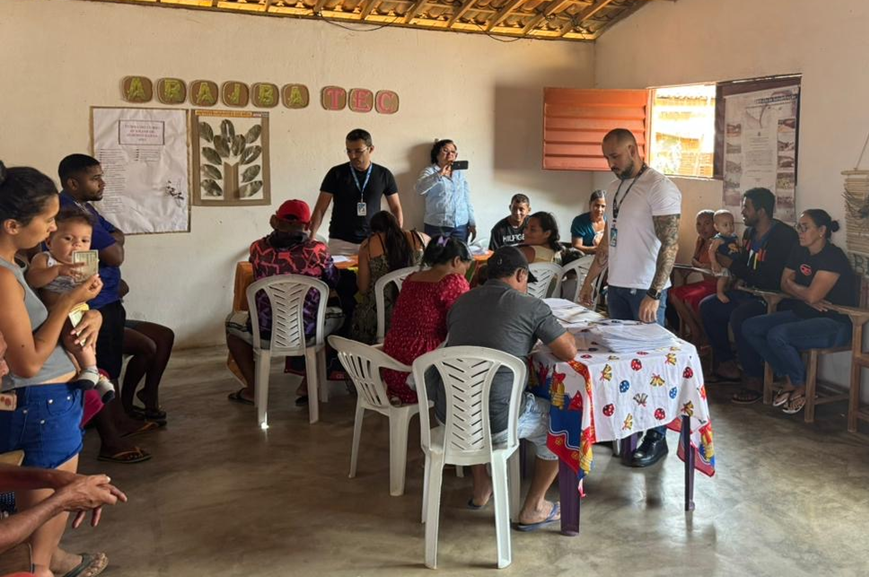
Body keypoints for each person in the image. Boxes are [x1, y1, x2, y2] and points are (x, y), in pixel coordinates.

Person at [0, 161, 112, 577]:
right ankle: (42, 568)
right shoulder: (5, 276)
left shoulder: (14, 269)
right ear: (13, 224)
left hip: (43, 401)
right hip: (40, 401)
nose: (51, 229)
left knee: (38, 499)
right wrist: (68, 303)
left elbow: (38, 321)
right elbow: (27, 362)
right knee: (46, 501)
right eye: (48, 220)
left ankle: (46, 562)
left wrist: (88, 313)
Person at [429, 246, 577, 530]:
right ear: (521, 274)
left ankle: (481, 486)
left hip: (450, 417)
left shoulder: (461, 302)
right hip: (497, 423)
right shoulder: (531, 306)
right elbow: (568, 350)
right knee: (563, 420)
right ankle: (534, 506)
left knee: (472, 394)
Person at [578, 128, 681, 468]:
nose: (610, 163)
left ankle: (657, 436)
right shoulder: (614, 187)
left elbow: (670, 244)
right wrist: (591, 281)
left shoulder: (660, 187)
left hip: (645, 291)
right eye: (606, 157)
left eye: (616, 156)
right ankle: (626, 428)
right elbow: (609, 240)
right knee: (618, 363)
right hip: (618, 288)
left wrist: (654, 293)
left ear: (634, 149)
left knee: (651, 367)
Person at [58, 153, 154, 464]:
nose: (102, 182)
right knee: (100, 368)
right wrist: (112, 243)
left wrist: (114, 241)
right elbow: (115, 255)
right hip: (92, 303)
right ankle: (111, 437)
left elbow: (118, 237)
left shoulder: (87, 209)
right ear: (73, 183)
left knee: (109, 364)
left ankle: (121, 418)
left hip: (106, 299)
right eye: (94, 178)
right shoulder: (69, 210)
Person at [226, 199, 342, 405]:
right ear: (307, 225)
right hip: (308, 330)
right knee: (338, 321)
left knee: (232, 329)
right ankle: (308, 383)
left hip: (265, 330)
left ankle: (254, 389)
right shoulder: (318, 251)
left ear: (276, 221)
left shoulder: (258, 249)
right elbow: (333, 280)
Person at [742, 210, 856, 414]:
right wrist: (803, 293)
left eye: (805, 228)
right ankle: (789, 377)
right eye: (799, 227)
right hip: (804, 314)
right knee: (751, 326)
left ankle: (799, 386)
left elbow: (809, 294)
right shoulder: (799, 249)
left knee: (778, 335)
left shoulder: (833, 256)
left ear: (821, 231)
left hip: (834, 323)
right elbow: (784, 284)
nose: (800, 232)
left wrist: (798, 289)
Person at [699, 187, 799, 404]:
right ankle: (727, 365)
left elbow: (771, 279)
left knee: (740, 316)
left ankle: (754, 378)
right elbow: (743, 264)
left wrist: (731, 264)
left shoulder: (783, 236)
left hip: (772, 298)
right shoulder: (748, 234)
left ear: (761, 211)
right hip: (747, 292)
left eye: (747, 207)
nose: (742, 212)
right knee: (709, 306)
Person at [25, 207, 115, 403]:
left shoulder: (85, 264)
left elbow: (86, 296)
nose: (77, 245)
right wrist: (58, 270)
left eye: (84, 240)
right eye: (68, 239)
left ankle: (93, 371)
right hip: (55, 313)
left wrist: (94, 287)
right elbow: (34, 279)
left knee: (76, 337)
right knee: (73, 350)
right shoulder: (44, 259)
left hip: (77, 310)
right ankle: (96, 376)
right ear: (49, 241)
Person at [382, 237, 471, 405]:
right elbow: (465, 322)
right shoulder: (452, 282)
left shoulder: (412, 278)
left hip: (392, 364)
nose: (465, 273)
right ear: (456, 260)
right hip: (419, 370)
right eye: (465, 267)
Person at [310, 128, 403, 256]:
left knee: (374, 276)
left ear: (371, 149)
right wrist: (311, 237)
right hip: (340, 241)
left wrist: (397, 235)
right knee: (340, 276)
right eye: (349, 151)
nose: (352, 156)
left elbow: (396, 207)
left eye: (358, 151)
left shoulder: (384, 174)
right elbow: (320, 208)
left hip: (374, 240)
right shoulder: (336, 173)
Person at [349, 211, 428, 344]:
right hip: (417, 311)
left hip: (380, 316)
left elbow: (363, 288)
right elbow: (443, 242)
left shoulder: (368, 246)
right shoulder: (419, 238)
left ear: (374, 230)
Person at [668, 210, 716, 344]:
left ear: (715, 225)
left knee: (690, 299)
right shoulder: (701, 240)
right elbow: (694, 261)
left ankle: (706, 335)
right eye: (699, 224)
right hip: (704, 281)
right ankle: (695, 331)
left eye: (707, 223)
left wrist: (701, 265)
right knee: (674, 294)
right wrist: (701, 265)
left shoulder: (718, 242)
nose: (702, 228)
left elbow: (712, 268)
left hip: (717, 285)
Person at [415, 139, 476, 242]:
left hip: (460, 226)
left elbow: (466, 198)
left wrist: (472, 222)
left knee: (459, 256)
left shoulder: (459, 173)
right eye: (445, 150)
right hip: (438, 227)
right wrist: (439, 174)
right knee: (438, 256)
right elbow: (419, 189)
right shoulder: (430, 171)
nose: (450, 154)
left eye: (453, 152)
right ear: (437, 154)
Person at [122, 319, 175, 423]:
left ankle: (149, 393)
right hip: (95, 318)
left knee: (166, 335)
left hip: (114, 315)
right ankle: (125, 404)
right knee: (146, 347)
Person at [708, 209, 740, 304]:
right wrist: (714, 263)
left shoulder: (734, 237)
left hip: (731, 263)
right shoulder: (719, 239)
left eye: (732, 224)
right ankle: (719, 292)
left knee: (732, 279)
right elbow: (711, 251)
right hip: (721, 265)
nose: (729, 227)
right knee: (724, 276)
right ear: (716, 227)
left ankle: (727, 291)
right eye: (725, 225)